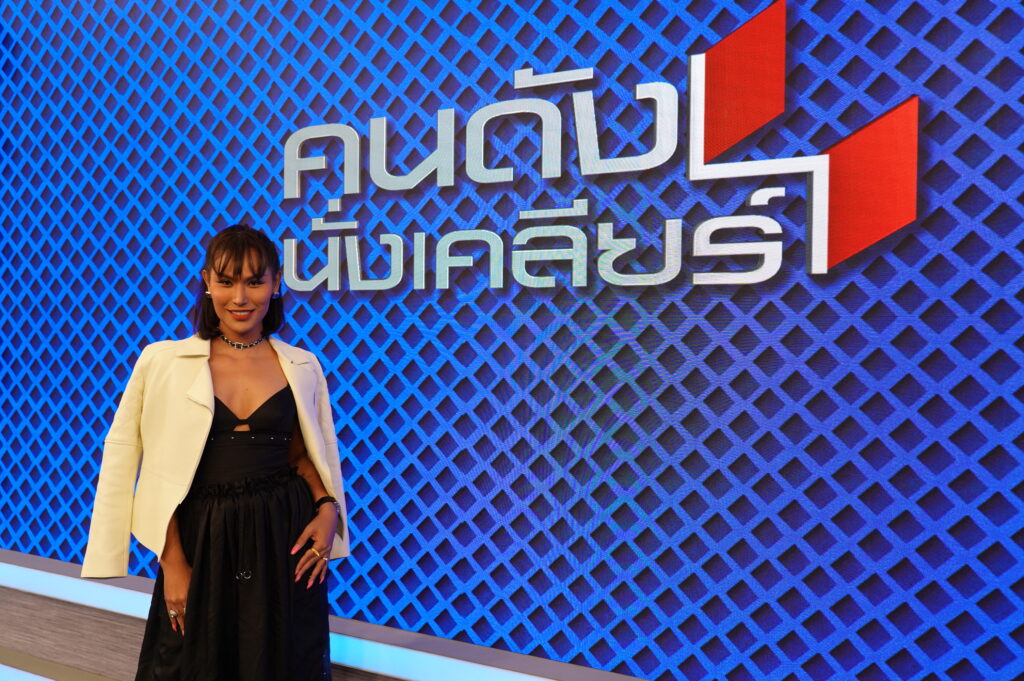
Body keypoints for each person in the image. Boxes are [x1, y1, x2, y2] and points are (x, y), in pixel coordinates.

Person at [80, 224, 350, 680]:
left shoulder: (302, 364)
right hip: (202, 539)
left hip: (282, 536)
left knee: (281, 661)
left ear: (276, 283)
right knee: (192, 663)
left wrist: (328, 510)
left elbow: (304, 456)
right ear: (207, 282)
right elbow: (142, 460)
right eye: (226, 281)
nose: (240, 297)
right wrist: (172, 562)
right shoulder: (162, 361)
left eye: (254, 281)